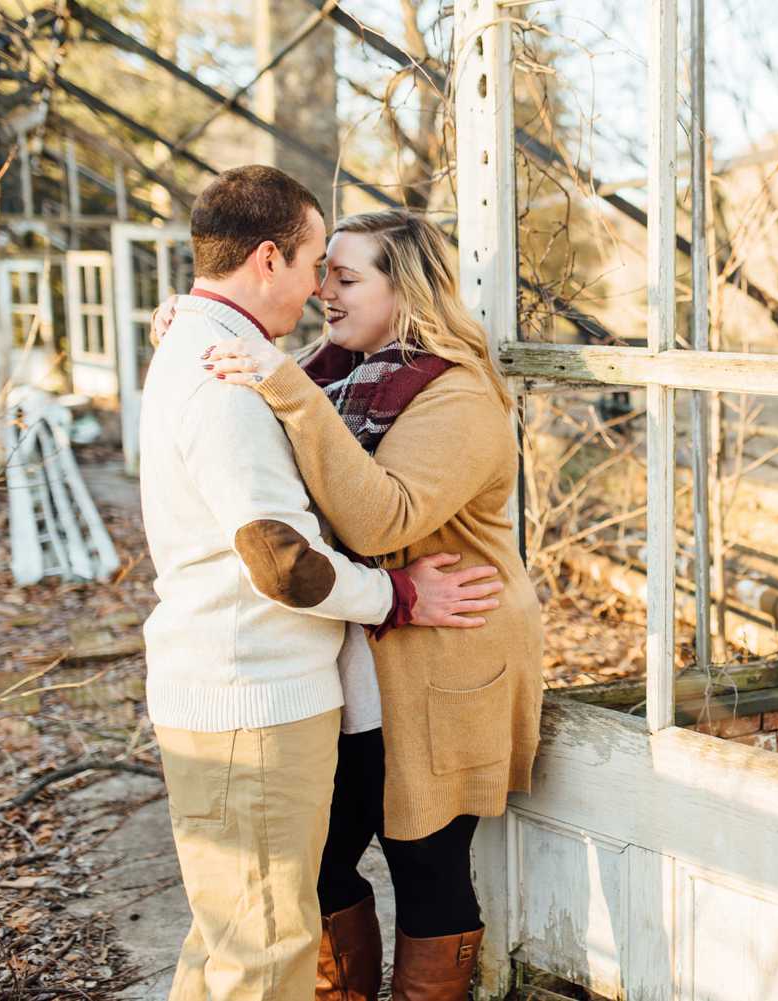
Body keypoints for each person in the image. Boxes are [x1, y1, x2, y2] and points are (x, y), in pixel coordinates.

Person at [140, 168, 505, 1001]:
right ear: (269, 258)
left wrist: (236, 346)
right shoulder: (272, 373)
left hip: (429, 659)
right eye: (319, 267)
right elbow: (286, 555)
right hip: (281, 676)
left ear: (404, 289)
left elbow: (376, 517)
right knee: (265, 941)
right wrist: (399, 595)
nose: (320, 292)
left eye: (344, 277)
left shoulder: (414, 388)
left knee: (363, 888)